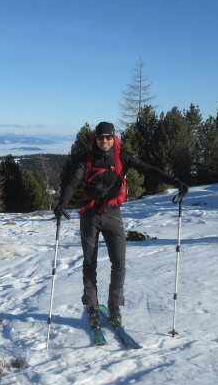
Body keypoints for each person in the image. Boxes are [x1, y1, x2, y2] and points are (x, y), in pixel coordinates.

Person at [54, 121, 188, 329]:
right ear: (95, 138)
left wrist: (175, 181)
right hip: (89, 214)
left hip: (112, 214)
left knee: (119, 263)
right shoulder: (86, 158)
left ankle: (114, 306)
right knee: (90, 262)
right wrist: (62, 203)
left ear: (113, 138)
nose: (104, 141)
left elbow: (148, 169)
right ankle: (92, 306)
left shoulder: (123, 156)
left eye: (108, 137)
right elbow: (73, 181)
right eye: (101, 137)